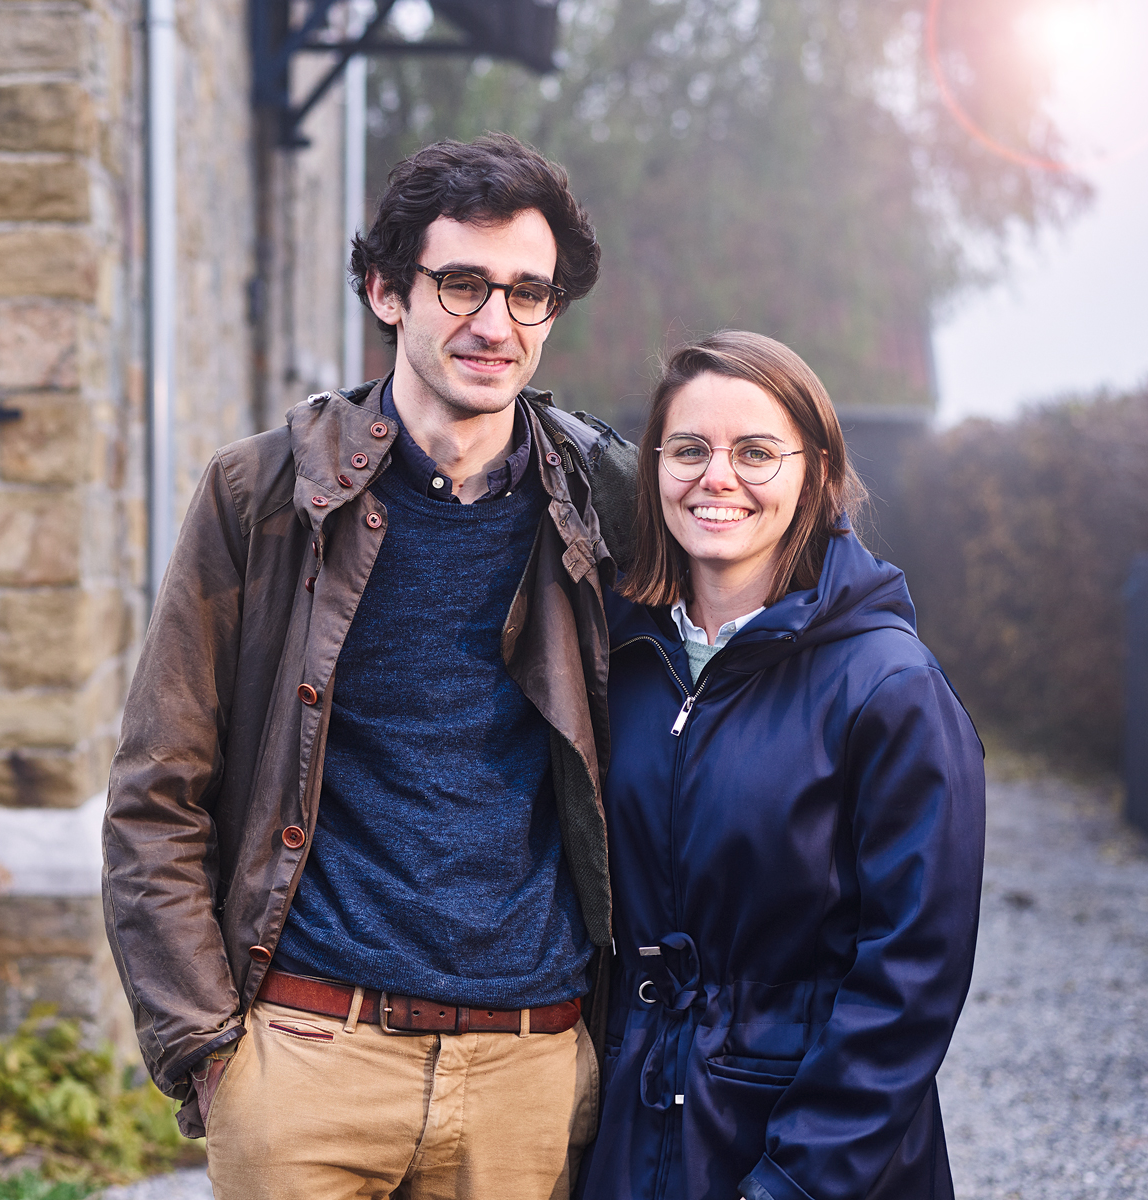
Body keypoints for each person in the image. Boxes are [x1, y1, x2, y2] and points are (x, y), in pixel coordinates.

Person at [102, 133, 638, 1200]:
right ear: (385, 290)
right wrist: (208, 1049)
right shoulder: (261, 497)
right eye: (461, 283)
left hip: (528, 1070)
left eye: (528, 294)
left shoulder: (603, 499)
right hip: (306, 1059)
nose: (495, 323)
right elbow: (156, 793)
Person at [578, 330, 985, 1200]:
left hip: (811, 1154)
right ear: (653, 468)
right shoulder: (620, 659)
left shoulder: (890, 688)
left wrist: (796, 1182)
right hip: (632, 1134)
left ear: (817, 469)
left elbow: (910, 980)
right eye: (689, 449)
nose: (716, 477)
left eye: (755, 452)